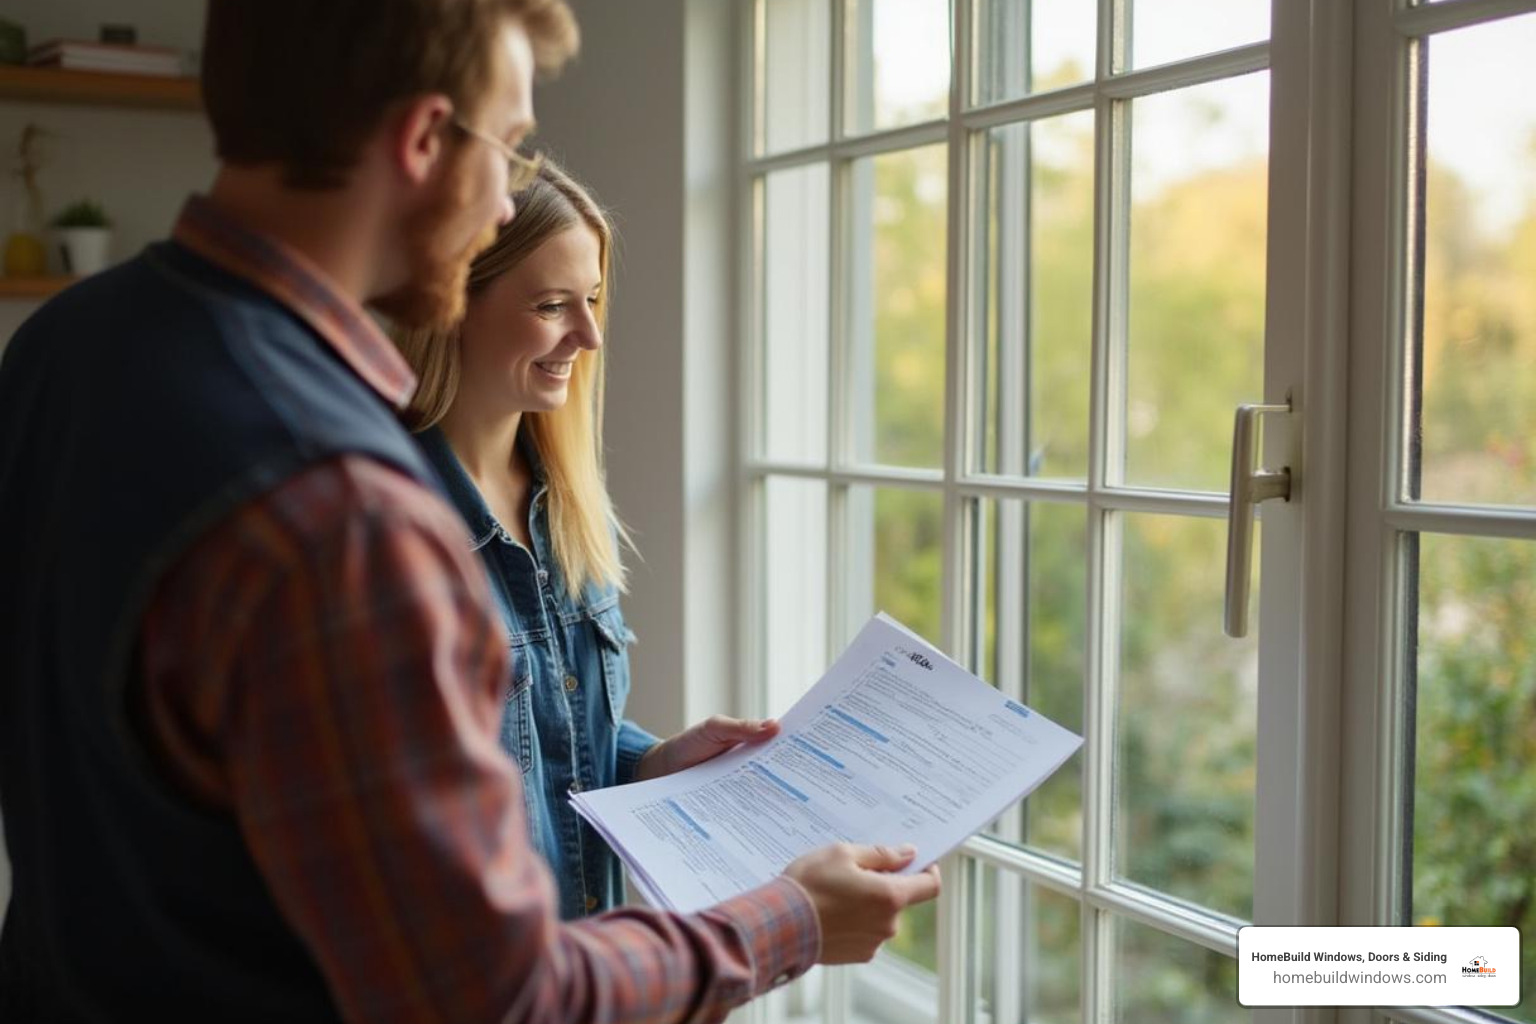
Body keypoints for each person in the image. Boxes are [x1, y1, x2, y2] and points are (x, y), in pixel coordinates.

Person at [0, 1, 940, 1021]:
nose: (504, 201)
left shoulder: (62, 347)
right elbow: (502, 997)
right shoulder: (347, 508)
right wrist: (789, 920)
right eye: (511, 144)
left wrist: (643, 761)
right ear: (421, 141)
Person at [395, 160, 777, 921]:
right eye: (552, 305)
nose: (590, 335)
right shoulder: (390, 524)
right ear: (452, 304)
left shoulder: (565, 506)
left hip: (587, 968)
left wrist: (655, 762)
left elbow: (547, 743)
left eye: (594, 299)